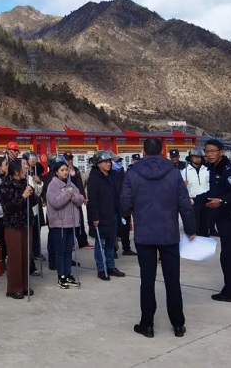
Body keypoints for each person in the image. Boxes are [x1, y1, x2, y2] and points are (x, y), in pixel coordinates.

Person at [121, 138, 196, 338]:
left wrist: (124, 219)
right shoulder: (173, 172)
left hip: (144, 234)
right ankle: (178, 324)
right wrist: (190, 228)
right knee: (173, 281)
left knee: (147, 280)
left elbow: (125, 202)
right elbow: (184, 202)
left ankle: (147, 325)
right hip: (169, 233)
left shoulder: (133, 173)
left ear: (143, 152)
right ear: (162, 151)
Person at [199, 139, 231, 303]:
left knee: (228, 255)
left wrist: (221, 201)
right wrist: (194, 200)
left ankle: (230, 292)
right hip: (222, 216)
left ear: (221, 152)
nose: (209, 154)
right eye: (207, 151)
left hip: (230, 217)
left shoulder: (228, 170)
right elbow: (212, 192)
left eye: (212, 151)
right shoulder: (215, 169)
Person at [47, 159, 87, 288]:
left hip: (71, 223)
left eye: (66, 170)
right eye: (62, 170)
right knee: (61, 251)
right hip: (59, 224)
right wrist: (68, 193)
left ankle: (68, 274)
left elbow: (80, 199)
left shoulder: (70, 184)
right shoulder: (52, 185)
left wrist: (74, 196)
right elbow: (56, 203)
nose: (65, 172)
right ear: (56, 172)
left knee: (69, 250)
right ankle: (61, 276)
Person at [0, 159, 37, 298]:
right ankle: (14, 288)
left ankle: (25, 285)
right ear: (16, 171)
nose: (26, 168)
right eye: (23, 166)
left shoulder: (25, 183)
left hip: (27, 223)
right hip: (13, 225)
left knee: (26, 255)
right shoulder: (5, 185)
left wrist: (32, 193)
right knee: (15, 256)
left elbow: (34, 202)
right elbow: (8, 208)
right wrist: (23, 196)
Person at [87, 151, 126, 280]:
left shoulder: (112, 175)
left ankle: (111, 266)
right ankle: (101, 268)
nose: (108, 164)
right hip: (101, 216)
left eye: (109, 161)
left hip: (113, 214)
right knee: (100, 243)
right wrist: (95, 217)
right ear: (98, 164)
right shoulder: (94, 178)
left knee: (111, 242)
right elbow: (92, 199)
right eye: (105, 162)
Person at [63, 152, 91, 249]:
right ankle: (71, 243)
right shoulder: (63, 171)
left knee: (80, 221)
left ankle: (83, 242)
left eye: (71, 159)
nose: (70, 161)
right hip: (69, 199)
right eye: (68, 159)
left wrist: (83, 196)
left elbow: (80, 184)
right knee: (71, 222)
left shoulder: (76, 169)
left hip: (78, 198)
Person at [23, 152, 44, 275]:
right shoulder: (18, 176)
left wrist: (39, 182)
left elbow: (38, 192)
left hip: (34, 206)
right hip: (22, 209)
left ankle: (35, 252)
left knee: (36, 229)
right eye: (31, 159)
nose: (33, 161)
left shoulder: (36, 171)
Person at [180, 148, 210, 237]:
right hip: (192, 202)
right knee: (194, 226)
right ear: (191, 158)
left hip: (205, 201)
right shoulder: (185, 171)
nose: (197, 159)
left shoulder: (207, 170)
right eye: (195, 157)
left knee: (205, 226)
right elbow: (181, 189)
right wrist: (183, 185)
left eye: (199, 157)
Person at [112, 154, 136, 257]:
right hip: (114, 205)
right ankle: (113, 249)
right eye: (117, 161)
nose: (119, 163)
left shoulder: (124, 172)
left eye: (120, 161)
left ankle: (126, 248)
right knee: (114, 228)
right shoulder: (110, 174)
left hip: (124, 205)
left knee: (125, 227)